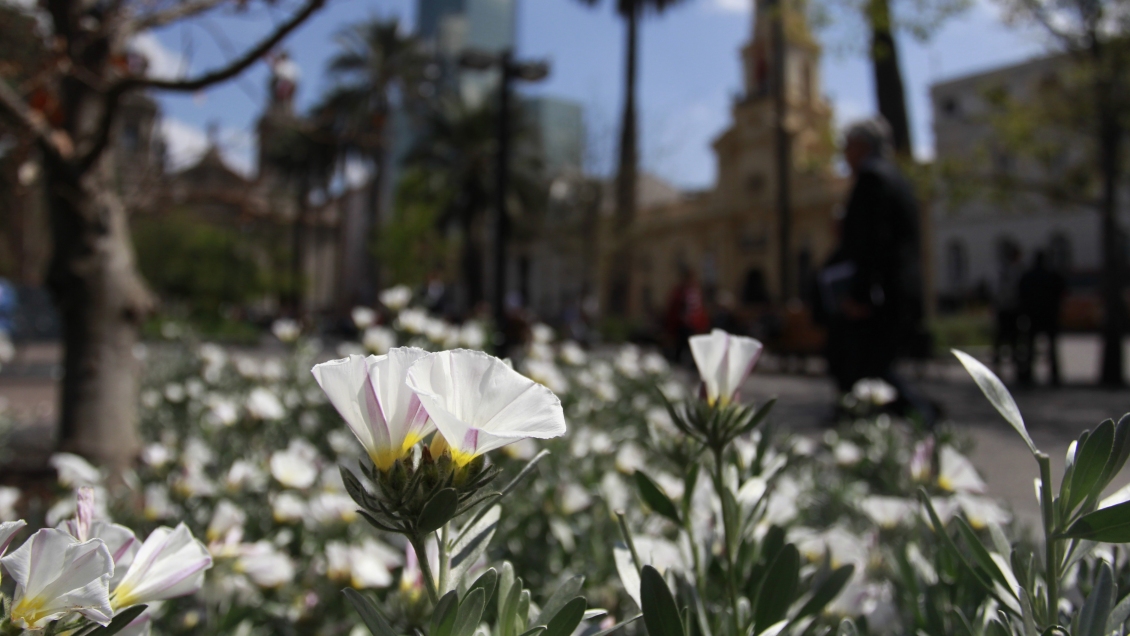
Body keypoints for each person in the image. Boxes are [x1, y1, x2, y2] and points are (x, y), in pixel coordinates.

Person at [827, 117, 936, 427]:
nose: (844, 155)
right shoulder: (897, 179)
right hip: (898, 288)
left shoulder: (871, 179)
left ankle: (924, 418)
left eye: (847, 147)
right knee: (876, 365)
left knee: (871, 366)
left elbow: (871, 242)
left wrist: (859, 294)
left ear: (861, 146)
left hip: (879, 293)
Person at [1018, 250, 1067, 385]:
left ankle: (1028, 374)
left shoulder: (1028, 276)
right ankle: (1054, 375)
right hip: (1049, 315)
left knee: (1031, 347)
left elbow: (1021, 294)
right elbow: (1062, 291)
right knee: (1052, 348)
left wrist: (1024, 313)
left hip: (1033, 315)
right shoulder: (1053, 275)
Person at [664, 266, 710, 365]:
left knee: (694, 350)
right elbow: (673, 309)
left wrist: (702, 325)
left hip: (693, 326)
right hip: (681, 326)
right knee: (680, 349)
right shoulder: (679, 291)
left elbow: (700, 310)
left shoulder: (696, 291)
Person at [992, 244, 1024, 376]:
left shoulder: (1001, 269)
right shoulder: (1014, 270)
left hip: (1004, 307)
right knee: (1011, 338)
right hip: (1010, 307)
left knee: (1003, 337)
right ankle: (1011, 363)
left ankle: (1000, 362)